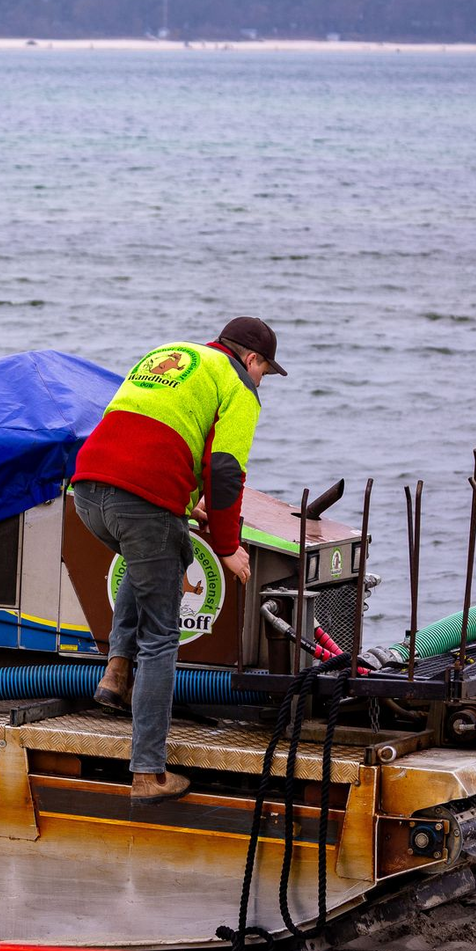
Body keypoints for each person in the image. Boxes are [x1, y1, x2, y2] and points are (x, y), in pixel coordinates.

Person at [71, 317, 285, 806]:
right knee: (162, 638)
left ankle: (116, 671)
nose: (261, 382)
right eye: (264, 372)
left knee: (154, 556)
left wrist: (186, 502)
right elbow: (225, 470)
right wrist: (227, 546)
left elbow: (147, 437)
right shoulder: (237, 384)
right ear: (252, 359)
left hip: (87, 492)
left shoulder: (172, 355)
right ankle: (148, 773)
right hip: (139, 505)